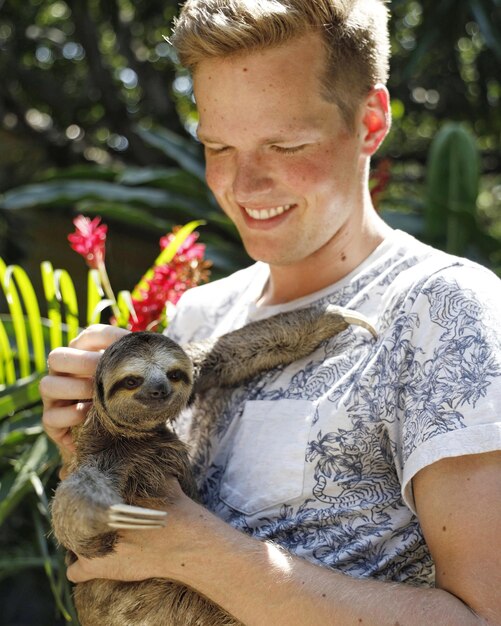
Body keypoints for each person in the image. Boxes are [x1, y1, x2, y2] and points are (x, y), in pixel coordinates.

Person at [40, 1, 501, 623]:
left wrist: (198, 551)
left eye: (285, 144)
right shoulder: (200, 316)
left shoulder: (443, 309)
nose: (245, 184)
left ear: (370, 121)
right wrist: (88, 445)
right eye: (218, 145)